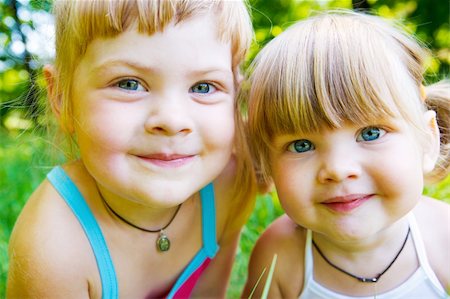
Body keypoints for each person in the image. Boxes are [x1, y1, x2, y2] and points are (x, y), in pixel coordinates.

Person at [6, 0, 257, 298]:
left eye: (203, 87)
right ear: (61, 97)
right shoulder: (53, 248)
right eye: (129, 84)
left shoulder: (229, 184)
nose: (172, 121)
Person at [242, 10, 449, 298]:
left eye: (370, 133)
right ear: (267, 161)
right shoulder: (279, 256)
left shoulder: (444, 238)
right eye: (302, 145)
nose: (338, 169)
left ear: (427, 139)